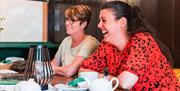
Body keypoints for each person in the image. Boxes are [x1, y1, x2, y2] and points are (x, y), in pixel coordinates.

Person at [79, 1, 180, 90]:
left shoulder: (142, 40)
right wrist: (108, 77)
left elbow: (125, 82)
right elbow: (82, 72)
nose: (99, 25)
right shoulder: (107, 45)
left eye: (104, 20)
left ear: (122, 22)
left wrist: (103, 76)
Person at [51, 4, 99, 77]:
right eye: (67, 19)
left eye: (72, 20)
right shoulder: (66, 40)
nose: (66, 23)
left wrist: (53, 69)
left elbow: (70, 71)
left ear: (83, 24)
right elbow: (54, 63)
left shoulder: (91, 42)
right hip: (65, 84)